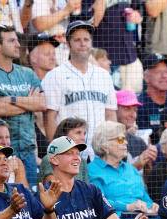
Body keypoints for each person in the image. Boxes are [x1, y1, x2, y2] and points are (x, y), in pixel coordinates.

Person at [38, 135, 146, 219]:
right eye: (69, 154)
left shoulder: (91, 190)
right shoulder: (44, 196)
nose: (77, 158)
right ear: (54, 159)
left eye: (77, 154)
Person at [0, 25, 45, 188]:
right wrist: (28, 103)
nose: (17, 45)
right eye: (11, 41)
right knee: (7, 199)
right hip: (1, 152)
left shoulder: (27, 73)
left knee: (30, 201)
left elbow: (42, 104)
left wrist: (11, 99)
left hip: (28, 151)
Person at [42, 21, 118, 157]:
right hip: (70, 152)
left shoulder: (104, 76)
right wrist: (57, 153)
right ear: (68, 44)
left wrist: (113, 150)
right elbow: (49, 118)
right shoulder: (55, 75)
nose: (83, 44)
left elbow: (111, 116)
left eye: (86, 40)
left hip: (100, 153)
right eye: (77, 40)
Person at [88, 121, 158, 214]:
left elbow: (146, 199)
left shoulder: (132, 170)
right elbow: (99, 201)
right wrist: (127, 207)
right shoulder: (92, 170)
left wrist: (152, 205)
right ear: (104, 146)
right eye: (120, 139)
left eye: (125, 139)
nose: (126, 142)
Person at [88, 0, 143, 93]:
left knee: (131, 102)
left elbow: (138, 8)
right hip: (103, 60)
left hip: (129, 57)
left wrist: (137, 14)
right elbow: (92, 22)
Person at [136, 53, 167, 144]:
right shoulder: (139, 105)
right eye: (158, 72)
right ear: (146, 77)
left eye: (166, 72)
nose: (164, 76)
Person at [115, 89, 158, 172]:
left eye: (135, 110)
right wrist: (136, 166)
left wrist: (149, 164)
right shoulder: (108, 143)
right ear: (115, 110)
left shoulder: (139, 142)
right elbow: (114, 181)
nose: (132, 115)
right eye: (127, 109)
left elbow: (146, 181)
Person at [39, 117, 90, 184]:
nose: (83, 138)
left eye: (84, 134)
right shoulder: (50, 158)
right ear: (64, 135)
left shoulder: (82, 161)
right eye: (78, 133)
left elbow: (86, 190)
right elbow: (53, 189)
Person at [0, 119, 29, 188]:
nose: (4, 142)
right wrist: (9, 171)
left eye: (7, 137)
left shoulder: (16, 162)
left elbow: (24, 194)